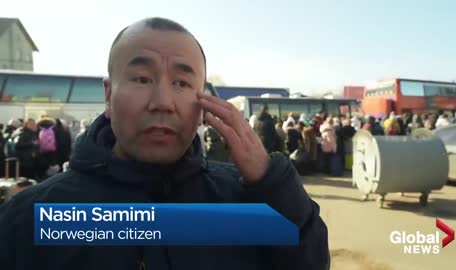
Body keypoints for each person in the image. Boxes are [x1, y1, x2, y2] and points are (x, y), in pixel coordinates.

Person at [0, 17, 329, 270]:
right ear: (109, 94)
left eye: (183, 83)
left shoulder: (241, 203)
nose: (163, 101)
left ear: (204, 103)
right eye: (142, 79)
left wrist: (272, 184)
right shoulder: (37, 216)